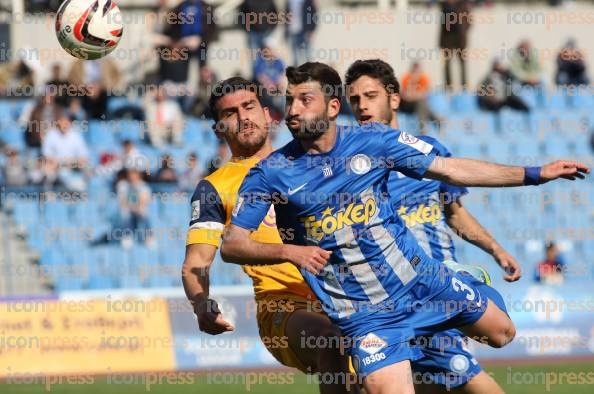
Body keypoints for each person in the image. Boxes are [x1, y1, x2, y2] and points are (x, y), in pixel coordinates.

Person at [220, 62, 589, 394]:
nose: (294, 110)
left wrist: (534, 174)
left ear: (333, 108)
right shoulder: (271, 173)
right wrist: (290, 251)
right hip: (365, 315)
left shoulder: (375, 141)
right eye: (290, 100)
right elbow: (232, 244)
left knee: (503, 333)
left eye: (305, 100)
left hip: (422, 284)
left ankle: (467, 277)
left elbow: (451, 169)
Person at [345, 59, 520, 393]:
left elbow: (454, 214)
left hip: (438, 284)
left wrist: (495, 249)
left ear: (394, 99)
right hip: (390, 298)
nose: (362, 105)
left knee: (464, 369)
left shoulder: (428, 151)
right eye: (355, 99)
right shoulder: (348, 170)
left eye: (370, 95)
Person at [182, 77, 358, 394]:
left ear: (267, 113)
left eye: (249, 107)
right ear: (219, 129)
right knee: (330, 341)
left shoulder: (309, 158)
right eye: (230, 113)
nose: (243, 117)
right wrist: (201, 304)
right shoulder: (213, 188)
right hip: (284, 307)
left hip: (348, 295)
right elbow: (196, 262)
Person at [41, 112, 90, 192]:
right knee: (46, 168)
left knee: (86, 166)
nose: (64, 124)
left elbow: (83, 155)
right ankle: (49, 194)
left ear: (69, 123)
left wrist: (72, 163)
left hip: (73, 164)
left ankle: (82, 194)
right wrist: (60, 163)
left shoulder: (76, 135)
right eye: (62, 122)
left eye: (66, 122)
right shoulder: (51, 135)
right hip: (56, 165)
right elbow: (47, 155)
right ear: (58, 123)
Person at [399, 62, 442, 134]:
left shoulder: (423, 78)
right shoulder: (406, 78)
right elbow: (405, 96)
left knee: (421, 104)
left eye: (418, 72)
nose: (416, 74)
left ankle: (424, 127)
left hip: (418, 104)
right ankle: (435, 120)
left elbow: (425, 94)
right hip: (406, 105)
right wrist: (415, 94)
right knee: (421, 103)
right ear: (411, 71)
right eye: (414, 72)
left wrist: (414, 95)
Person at [439, 0, 471, 91]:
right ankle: (448, 86)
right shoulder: (444, 6)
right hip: (447, 39)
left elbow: (469, 21)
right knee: (447, 64)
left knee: (462, 63)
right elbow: (442, 25)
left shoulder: (463, 5)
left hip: (460, 40)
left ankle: (464, 85)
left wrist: (462, 31)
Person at [116, 169, 152, 248]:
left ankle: (148, 237)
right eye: (131, 174)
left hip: (139, 209)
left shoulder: (144, 186)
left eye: (135, 174)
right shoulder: (122, 185)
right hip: (128, 208)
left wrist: (136, 208)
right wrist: (132, 207)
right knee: (125, 214)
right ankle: (127, 236)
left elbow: (144, 200)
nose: (132, 176)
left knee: (144, 213)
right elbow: (122, 200)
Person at [253, 39, 286, 118]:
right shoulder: (260, 61)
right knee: (267, 93)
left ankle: (283, 114)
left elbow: (281, 75)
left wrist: (279, 83)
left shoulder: (278, 61)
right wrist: (269, 84)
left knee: (284, 92)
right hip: (264, 88)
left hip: (275, 87)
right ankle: (270, 114)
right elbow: (260, 76)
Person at [285, 0, 317, 66]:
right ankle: (296, 71)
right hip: (293, 30)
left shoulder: (308, 1)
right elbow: (286, 14)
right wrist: (286, 30)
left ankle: (309, 69)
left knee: (307, 53)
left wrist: (311, 29)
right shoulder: (289, 1)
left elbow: (313, 15)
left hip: (305, 31)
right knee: (295, 54)